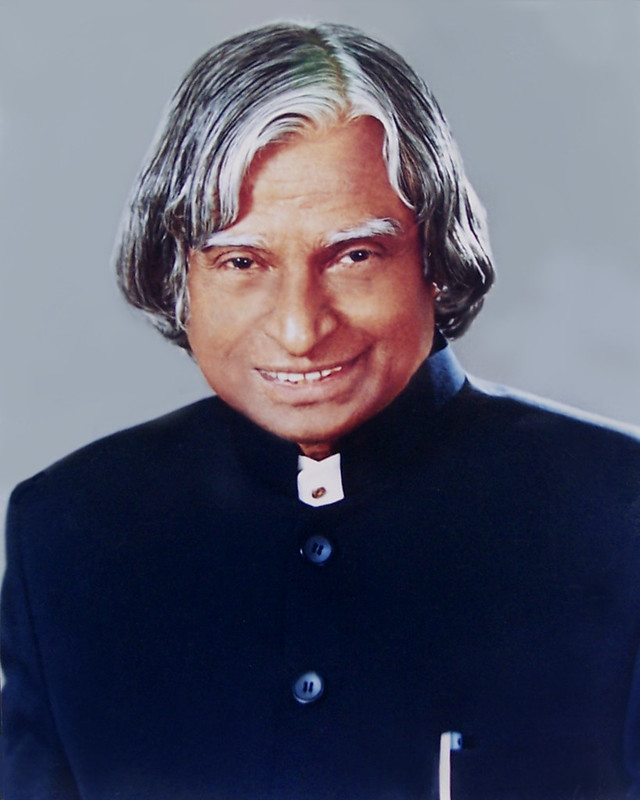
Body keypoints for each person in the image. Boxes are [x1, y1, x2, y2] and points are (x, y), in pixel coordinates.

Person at [2, 21, 640, 800]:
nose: (300, 330)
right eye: (243, 261)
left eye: (354, 256)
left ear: (436, 261)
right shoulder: (68, 532)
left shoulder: (620, 511)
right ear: (179, 279)